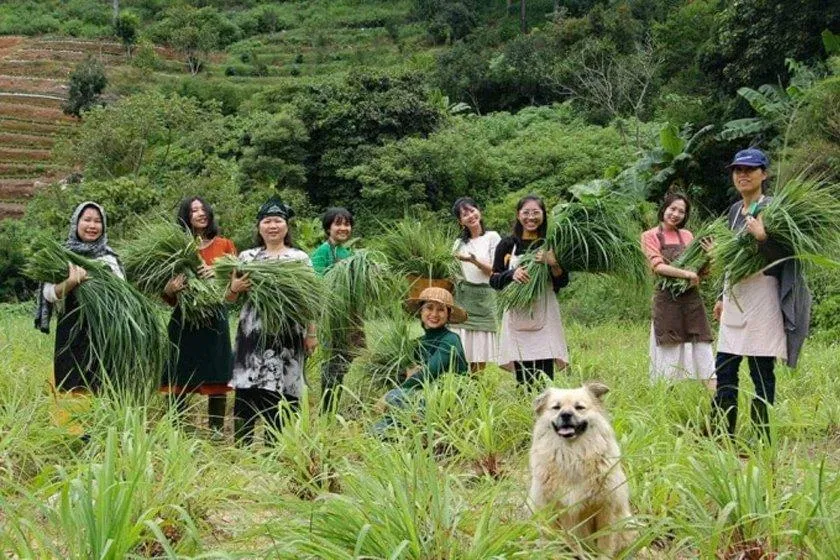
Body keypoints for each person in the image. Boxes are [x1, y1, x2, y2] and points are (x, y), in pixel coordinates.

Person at [710, 148, 811, 441]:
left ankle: (761, 438)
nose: (742, 174)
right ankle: (722, 434)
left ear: (763, 174)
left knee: (761, 371)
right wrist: (720, 295)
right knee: (725, 368)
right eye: (737, 170)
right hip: (736, 295)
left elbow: (788, 258)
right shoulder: (733, 211)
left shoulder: (775, 209)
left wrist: (763, 237)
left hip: (763, 296)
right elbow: (730, 259)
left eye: (749, 169)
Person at [227, 197, 319, 445]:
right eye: (267, 221)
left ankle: (274, 445)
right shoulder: (247, 257)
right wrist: (235, 287)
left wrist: (312, 334)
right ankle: (243, 444)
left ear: (286, 226)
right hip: (252, 331)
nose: (273, 226)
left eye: (278, 221)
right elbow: (229, 297)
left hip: (287, 333)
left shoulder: (299, 259)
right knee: (247, 387)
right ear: (259, 227)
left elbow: (311, 300)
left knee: (282, 386)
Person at [34, 202, 123, 437]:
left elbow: (123, 294)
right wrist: (71, 283)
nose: (92, 225)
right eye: (87, 220)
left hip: (101, 333)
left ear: (103, 226)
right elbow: (49, 294)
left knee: (98, 382)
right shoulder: (61, 255)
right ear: (76, 223)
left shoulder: (109, 259)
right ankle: (69, 436)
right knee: (70, 381)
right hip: (71, 331)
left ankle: (97, 436)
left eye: (97, 221)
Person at [162, 197, 236, 436]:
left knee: (217, 372)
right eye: (194, 210)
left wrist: (218, 271)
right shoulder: (176, 247)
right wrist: (170, 289)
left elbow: (236, 285)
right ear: (186, 215)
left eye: (204, 208)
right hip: (184, 320)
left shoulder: (225, 245)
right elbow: (166, 295)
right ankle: (177, 431)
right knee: (178, 373)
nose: (201, 213)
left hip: (215, 319)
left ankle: (216, 432)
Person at [490, 195, 570, 386]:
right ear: (518, 215)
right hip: (517, 313)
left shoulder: (551, 243)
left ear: (543, 215)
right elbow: (494, 280)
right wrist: (511, 274)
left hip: (545, 312)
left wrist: (553, 262)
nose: (531, 217)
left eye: (536, 212)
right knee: (523, 375)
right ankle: (526, 409)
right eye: (526, 212)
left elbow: (563, 281)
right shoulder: (508, 244)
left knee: (545, 372)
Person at [641, 193, 715, 386]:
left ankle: (715, 402)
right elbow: (657, 267)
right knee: (669, 351)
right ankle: (667, 402)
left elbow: (701, 271)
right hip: (667, 301)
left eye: (681, 211)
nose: (676, 214)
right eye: (672, 209)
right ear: (664, 208)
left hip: (691, 301)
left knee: (702, 348)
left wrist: (709, 256)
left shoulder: (687, 235)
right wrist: (686, 275)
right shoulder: (650, 235)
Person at [372, 287, 468, 435]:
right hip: (422, 398)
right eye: (429, 308)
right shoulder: (417, 343)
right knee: (378, 429)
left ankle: (417, 427)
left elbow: (429, 373)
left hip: (448, 401)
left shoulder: (451, 340)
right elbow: (403, 373)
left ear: (448, 314)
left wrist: (388, 395)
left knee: (394, 397)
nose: (434, 314)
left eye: (441, 310)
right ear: (420, 312)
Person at [309, 207, 357, 413]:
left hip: (347, 316)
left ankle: (333, 405)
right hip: (329, 317)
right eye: (338, 224)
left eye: (347, 224)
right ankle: (327, 409)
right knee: (331, 362)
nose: (343, 228)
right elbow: (317, 282)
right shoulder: (321, 252)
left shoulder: (347, 252)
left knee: (343, 361)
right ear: (328, 228)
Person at [450, 197, 501, 372]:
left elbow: (496, 271)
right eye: (465, 214)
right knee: (460, 349)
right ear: (460, 221)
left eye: (472, 210)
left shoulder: (492, 237)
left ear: (479, 211)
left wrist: (473, 261)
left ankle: (477, 390)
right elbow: (453, 271)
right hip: (463, 299)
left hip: (485, 299)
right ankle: (461, 389)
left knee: (480, 351)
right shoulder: (458, 244)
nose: (470, 216)